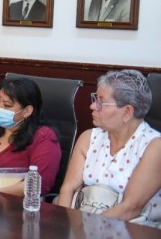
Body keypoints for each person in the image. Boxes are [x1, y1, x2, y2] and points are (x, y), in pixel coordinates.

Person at [56, 70, 161, 225]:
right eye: (95, 99)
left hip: (129, 230)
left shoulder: (154, 146)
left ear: (127, 112)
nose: (92, 106)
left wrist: (85, 232)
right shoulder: (89, 138)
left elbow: (130, 208)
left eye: (101, 102)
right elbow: (68, 189)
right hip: (79, 224)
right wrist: (66, 226)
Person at [0, 78, 61, 195]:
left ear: (27, 111)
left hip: (15, 203)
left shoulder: (43, 137)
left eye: (7, 105)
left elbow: (40, 183)